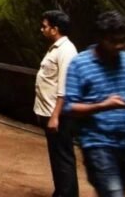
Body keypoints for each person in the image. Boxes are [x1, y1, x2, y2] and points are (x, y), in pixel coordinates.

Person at [64, 10, 125, 197]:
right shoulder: (80, 64)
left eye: (123, 41)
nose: (119, 46)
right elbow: (70, 107)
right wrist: (103, 105)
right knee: (113, 194)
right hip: (97, 144)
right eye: (113, 41)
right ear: (100, 38)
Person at [35, 10, 79, 197]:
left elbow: (64, 87)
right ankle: (62, 191)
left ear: (55, 29)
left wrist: (55, 117)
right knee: (57, 157)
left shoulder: (66, 51)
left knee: (63, 157)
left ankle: (67, 194)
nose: (42, 29)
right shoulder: (56, 48)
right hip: (50, 112)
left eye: (45, 26)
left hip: (58, 115)